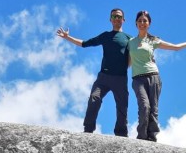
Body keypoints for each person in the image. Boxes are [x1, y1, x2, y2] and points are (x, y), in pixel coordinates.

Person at [127, 10, 186, 142]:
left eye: (145, 21)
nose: (142, 23)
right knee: (144, 106)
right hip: (138, 79)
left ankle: (151, 137)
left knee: (153, 109)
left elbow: (175, 47)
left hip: (154, 77)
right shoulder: (131, 42)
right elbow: (128, 63)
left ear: (149, 24)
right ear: (135, 23)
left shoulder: (153, 40)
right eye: (140, 21)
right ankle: (141, 137)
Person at [56, 8, 132, 136]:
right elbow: (85, 43)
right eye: (114, 16)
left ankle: (121, 134)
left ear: (123, 20)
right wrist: (67, 37)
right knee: (94, 98)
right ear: (110, 20)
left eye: (119, 17)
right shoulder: (105, 36)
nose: (117, 19)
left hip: (120, 78)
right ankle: (88, 130)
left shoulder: (129, 38)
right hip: (104, 77)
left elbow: (137, 53)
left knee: (122, 106)